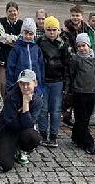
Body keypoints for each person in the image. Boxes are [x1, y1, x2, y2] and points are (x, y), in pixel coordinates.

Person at [0, 69, 43, 172]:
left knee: (35, 137)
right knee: (6, 165)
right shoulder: (11, 96)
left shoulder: (38, 100)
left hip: (21, 130)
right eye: (22, 84)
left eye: (28, 83)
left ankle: (22, 149)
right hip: (7, 130)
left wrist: (25, 104)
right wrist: (25, 120)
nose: (25, 87)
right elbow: (11, 122)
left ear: (35, 83)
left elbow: (30, 125)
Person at [61, 5, 95, 126]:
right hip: (71, 60)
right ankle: (67, 114)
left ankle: (82, 116)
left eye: (77, 15)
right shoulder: (66, 29)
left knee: (80, 90)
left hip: (84, 60)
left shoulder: (86, 29)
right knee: (70, 89)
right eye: (73, 15)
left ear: (82, 16)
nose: (75, 18)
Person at [36, 15, 69, 148]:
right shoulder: (39, 42)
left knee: (55, 110)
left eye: (54, 29)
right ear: (45, 30)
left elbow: (67, 64)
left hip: (57, 80)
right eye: (48, 29)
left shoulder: (62, 44)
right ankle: (43, 133)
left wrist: (66, 83)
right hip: (43, 80)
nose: (51, 32)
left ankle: (53, 135)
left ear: (58, 30)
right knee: (43, 109)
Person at [67, 33, 95, 155]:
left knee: (86, 117)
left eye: (84, 45)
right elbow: (72, 74)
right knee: (81, 117)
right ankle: (88, 142)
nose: (82, 48)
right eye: (79, 46)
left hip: (91, 91)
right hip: (79, 92)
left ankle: (76, 136)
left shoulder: (94, 59)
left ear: (89, 45)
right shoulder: (76, 59)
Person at [5, 18, 44, 95]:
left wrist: (40, 87)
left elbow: (41, 69)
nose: (28, 36)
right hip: (20, 85)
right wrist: (11, 86)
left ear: (34, 34)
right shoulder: (16, 49)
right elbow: (10, 68)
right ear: (22, 33)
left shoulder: (37, 49)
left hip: (34, 86)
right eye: (26, 33)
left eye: (31, 34)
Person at [0, 2, 23, 100]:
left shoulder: (21, 23)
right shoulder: (1, 22)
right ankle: (5, 102)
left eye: (14, 11)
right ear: (6, 12)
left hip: (17, 56)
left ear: (17, 11)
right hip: (4, 56)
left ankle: (15, 103)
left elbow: (22, 38)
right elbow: (0, 36)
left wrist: (8, 39)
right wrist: (14, 40)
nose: (12, 13)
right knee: (3, 82)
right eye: (10, 11)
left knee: (16, 81)